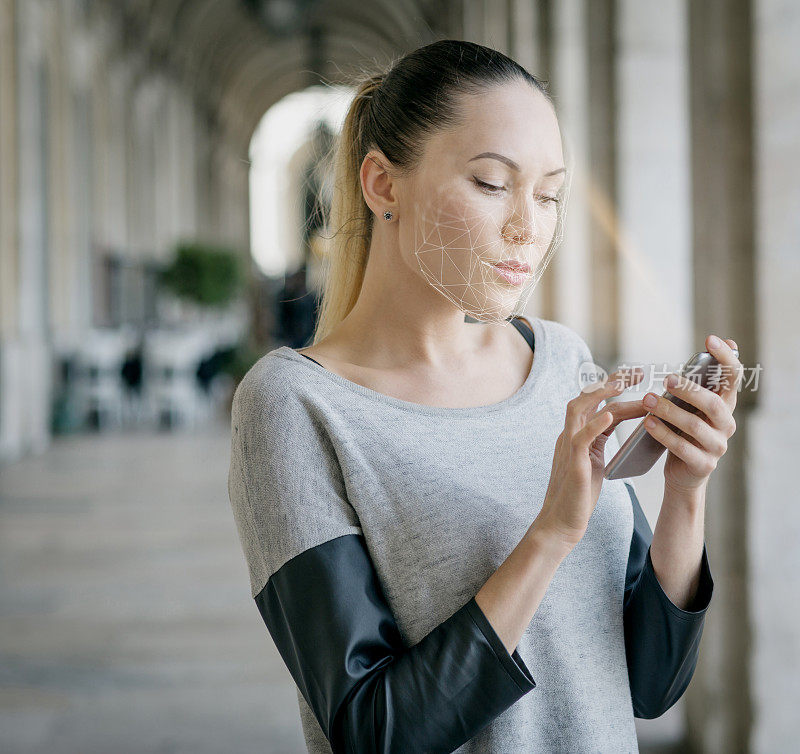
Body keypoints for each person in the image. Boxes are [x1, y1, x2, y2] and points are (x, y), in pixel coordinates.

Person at [228, 39, 742, 753]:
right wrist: (550, 536)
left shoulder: (561, 361)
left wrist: (686, 491)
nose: (528, 227)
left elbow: (651, 685)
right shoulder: (295, 405)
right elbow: (375, 731)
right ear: (383, 185)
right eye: (493, 184)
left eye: (550, 194)